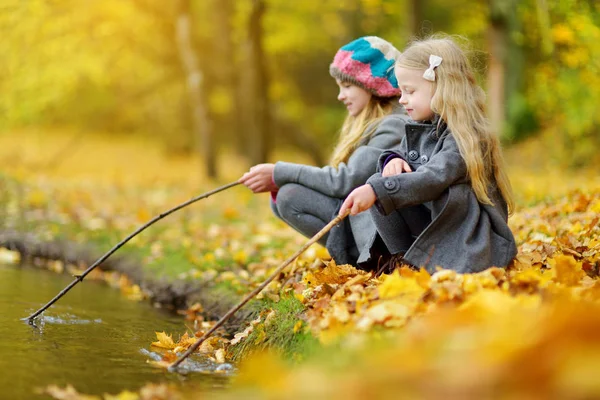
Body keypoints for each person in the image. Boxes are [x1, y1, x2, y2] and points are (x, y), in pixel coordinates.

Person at [339, 36, 517, 274]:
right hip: (440, 226)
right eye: (401, 91)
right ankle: (404, 259)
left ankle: (415, 262)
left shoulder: (467, 135)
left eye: (410, 91)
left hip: (468, 241)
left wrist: (377, 190)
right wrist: (393, 160)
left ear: (442, 87)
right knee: (381, 182)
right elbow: (400, 152)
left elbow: (434, 178)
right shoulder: (423, 125)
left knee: (385, 188)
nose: (402, 100)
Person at [239, 36, 408, 266]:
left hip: (377, 226)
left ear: (372, 84)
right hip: (360, 215)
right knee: (280, 196)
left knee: (289, 197)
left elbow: (346, 181)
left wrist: (279, 171)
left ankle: (364, 260)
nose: (340, 96)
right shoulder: (375, 122)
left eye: (347, 86)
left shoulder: (393, 124)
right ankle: (352, 254)